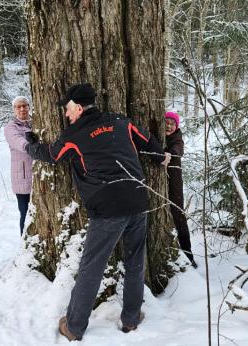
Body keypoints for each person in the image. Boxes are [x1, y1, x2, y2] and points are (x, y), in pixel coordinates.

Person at [24, 83, 171, 341]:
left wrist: (30, 147)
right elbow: (147, 139)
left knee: (93, 266)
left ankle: (74, 326)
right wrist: (161, 157)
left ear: (79, 108)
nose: (66, 115)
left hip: (107, 209)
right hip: (138, 200)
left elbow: (51, 155)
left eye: (68, 109)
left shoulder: (74, 134)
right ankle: (131, 318)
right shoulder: (119, 121)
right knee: (136, 260)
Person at [165, 111, 196, 268]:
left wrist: (171, 153)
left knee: (178, 215)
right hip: (162, 182)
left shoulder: (177, 139)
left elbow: (178, 149)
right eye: (167, 123)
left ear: (176, 127)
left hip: (174, 182)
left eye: (172, 124)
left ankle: (188, 254)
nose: (169, 126)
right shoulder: (159, 135)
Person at [4, 96, 33, 235]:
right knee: (26, 213)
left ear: (29, 107)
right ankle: (24, 243)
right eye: (18, 106)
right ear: (14, 110)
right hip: (22, 177)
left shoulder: (35, 122)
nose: (22, 109)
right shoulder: (11, 127)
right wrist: (29, 146)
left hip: (37, 175)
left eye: (24, 105)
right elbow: (16, 141)